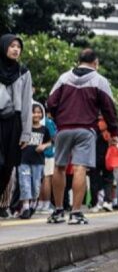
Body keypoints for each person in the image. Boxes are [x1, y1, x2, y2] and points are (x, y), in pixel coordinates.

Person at [47, 48, 118, 225]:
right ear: (96, 63)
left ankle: (57, 211)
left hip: (63, 129)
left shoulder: (63, 78)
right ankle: (76, 213)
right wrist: (114, 132)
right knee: (80, 168)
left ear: (78, 61)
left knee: (59, 167)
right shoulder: (100, 80)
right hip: (85, 129)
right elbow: (109, 109)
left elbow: (50, 102)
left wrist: (60, 118)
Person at [0, 35, 33, 204]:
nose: (15, 49)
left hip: (14, 123)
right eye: (12, 46)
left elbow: (27, 103)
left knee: (8, 167)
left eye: (18, 47)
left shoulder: (23, 72)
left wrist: (26, 134)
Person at [17, 102, 52, 219]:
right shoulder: (24, 128)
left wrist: (44, 146)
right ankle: (26, 207)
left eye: (38, 112)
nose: (36, 115)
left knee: (36, 185)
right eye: (33, 112)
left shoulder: (44, 129)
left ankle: (33, 204)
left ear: (42, 114)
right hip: (24, 160)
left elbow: (51, 141)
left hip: (38, 162)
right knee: (24, 183)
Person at [38, 104, 57, 214]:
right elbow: (54, 137)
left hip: (38, 153)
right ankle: (46, 204)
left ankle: (40, 203)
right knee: (47, 178)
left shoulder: (34, 121)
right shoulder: (48, 122)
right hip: (48, 153)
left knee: (40, 180)